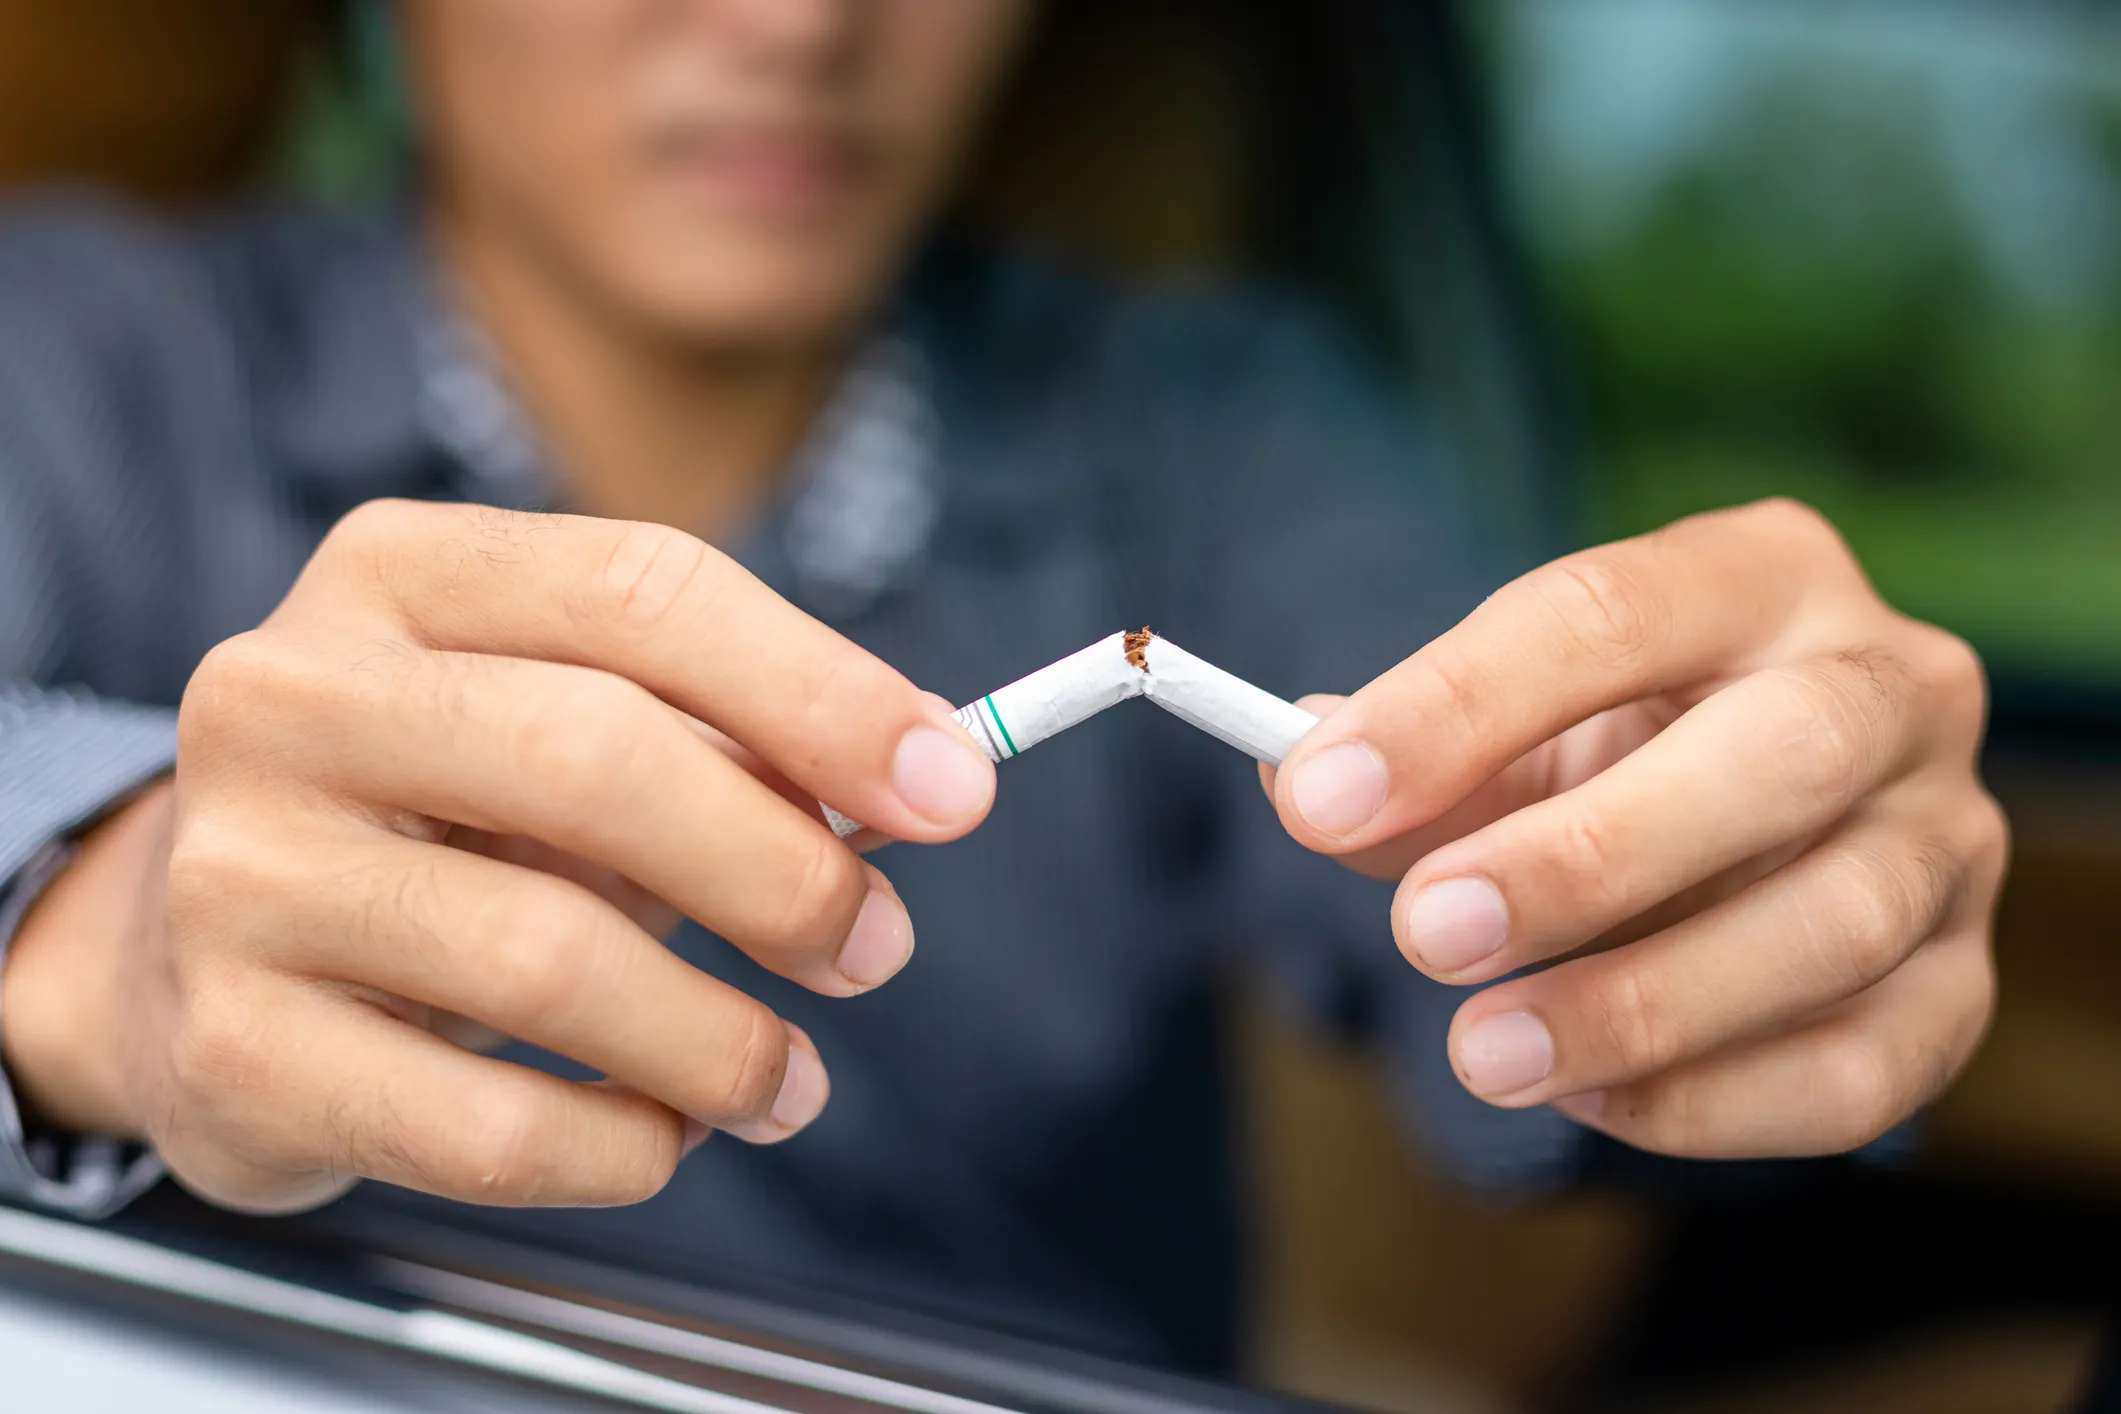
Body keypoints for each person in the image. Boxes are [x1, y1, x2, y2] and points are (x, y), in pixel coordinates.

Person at [0, 0, 2005, 1371]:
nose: (801, 23)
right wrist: (104, 946)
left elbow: (1541, 930)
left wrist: (1732, 884)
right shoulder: (70, 355)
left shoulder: (1226, 435)